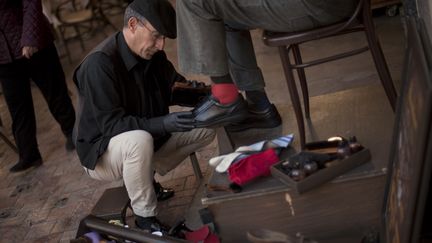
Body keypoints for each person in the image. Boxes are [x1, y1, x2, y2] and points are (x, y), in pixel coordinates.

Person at [73, 0, 215, 233]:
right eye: (156, 35)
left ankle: (144, 177)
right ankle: (145, 219)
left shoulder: (152, 54)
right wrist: (163, 123)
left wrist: (212, 95)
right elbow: (112, 126)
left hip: (146, 140)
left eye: (164, 38)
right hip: (102, 153)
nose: (161, 45)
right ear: (132, 25)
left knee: (207, 122)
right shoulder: (99, 64)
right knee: (139, 140)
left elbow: (175, 87)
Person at [176, 0, 358, 131]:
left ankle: (225, 97)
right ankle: (258, 105)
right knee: (225, 14)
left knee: (195, 2)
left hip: (320, 6)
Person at [0, 0, 76, 173]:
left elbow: (30, 3)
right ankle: (29, 154)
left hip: (33, 43)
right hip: (4, 55)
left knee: (55, 93)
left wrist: (29, 38)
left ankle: (74, 133)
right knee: (17, 107)